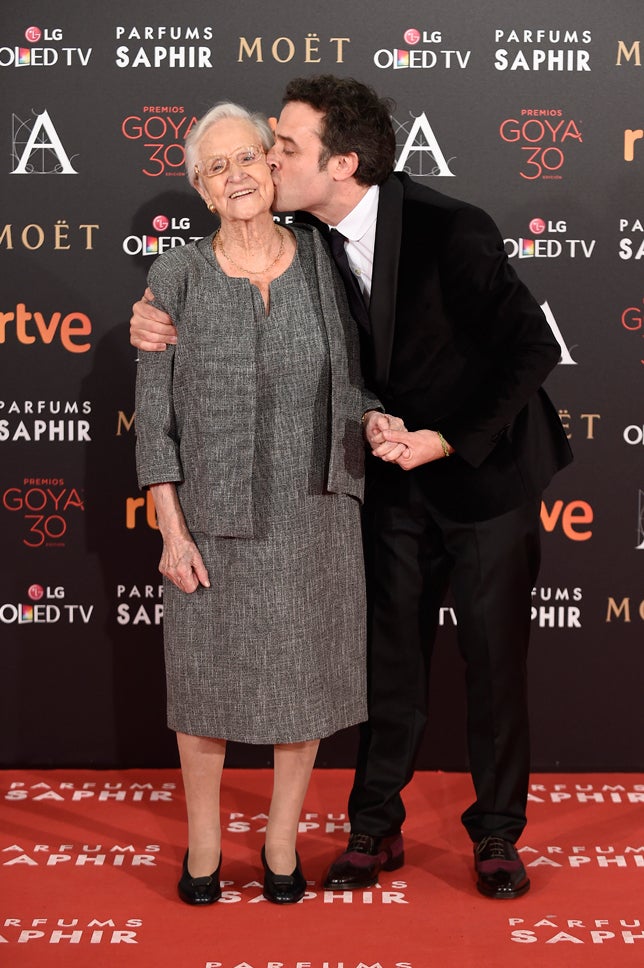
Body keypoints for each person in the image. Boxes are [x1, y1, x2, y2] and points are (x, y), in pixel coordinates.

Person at [130, 76, 573, 900]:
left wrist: (446, 439)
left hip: (487, 473)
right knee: (390, 661)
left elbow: (529, 350)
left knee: (493, 665)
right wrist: (152, 319)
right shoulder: (305, 238)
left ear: (343, 162)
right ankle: (374, 826)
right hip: (389, 476)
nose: (266, 160)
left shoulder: (452, 228)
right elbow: (215, 284)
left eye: (283, 148)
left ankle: (498, 836)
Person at [133, 100, 401, 907]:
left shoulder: (326, 258)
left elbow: (357, 375)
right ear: (201, 189)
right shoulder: (174, 276)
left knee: (305, 685)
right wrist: (170, 528)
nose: (237, 175)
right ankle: (206, 846)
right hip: (210, 521)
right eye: (217, 167)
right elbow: (155, 417)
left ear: (273, 166)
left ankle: (281, 841)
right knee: (204, 690)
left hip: (315, 508)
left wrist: (378, 418)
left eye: (248, 157)